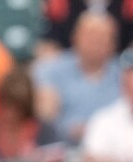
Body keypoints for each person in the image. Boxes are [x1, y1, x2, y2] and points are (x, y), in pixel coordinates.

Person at [33, 11, 122, 144]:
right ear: (75, 37)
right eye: (90, 35)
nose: (95, 43)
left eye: (102, 37)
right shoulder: (50, 71)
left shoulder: (124, 75)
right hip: (63, 150)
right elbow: (44, 119)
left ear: (113, 44)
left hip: (111, 150)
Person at [0, 69, 68, 162]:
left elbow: (58, 160)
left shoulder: (46, 131)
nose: (11, 113)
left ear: (27, 106)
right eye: (6, 105)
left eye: (18, 107)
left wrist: (35, 159)